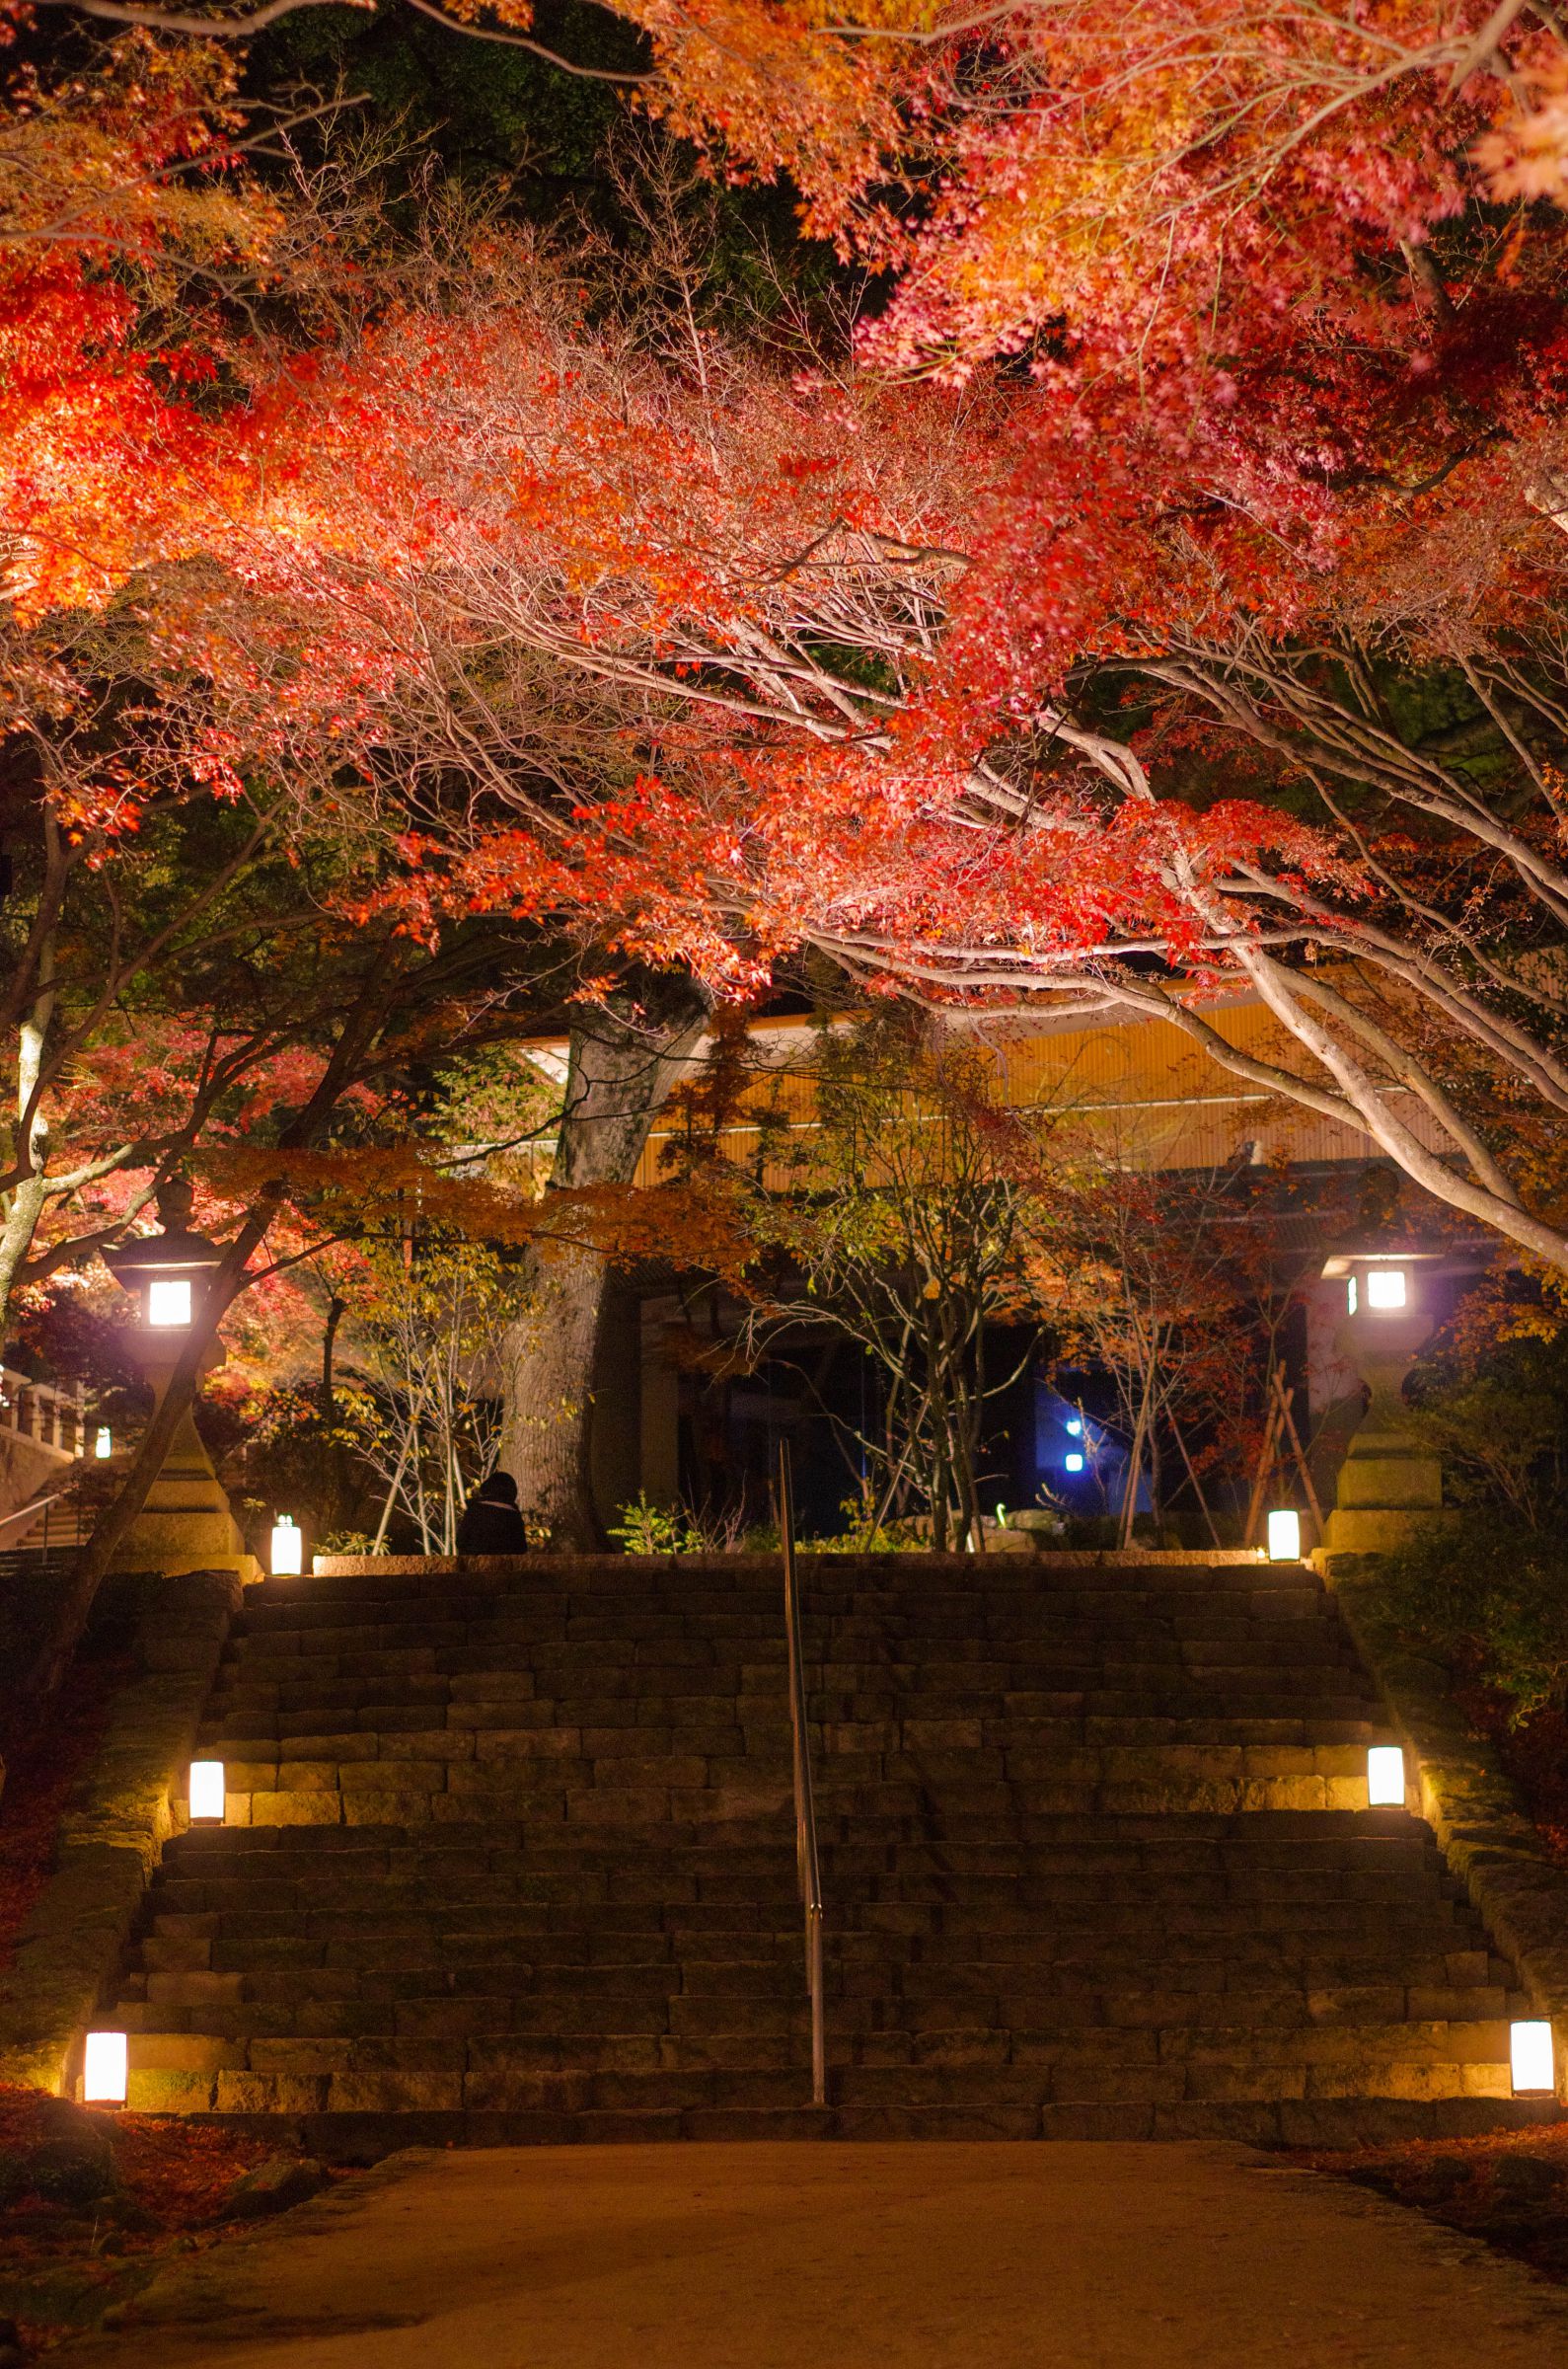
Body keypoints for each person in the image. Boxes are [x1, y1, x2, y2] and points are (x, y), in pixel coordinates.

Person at [456, 1470, 529, 1555]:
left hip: (474, 1563)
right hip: (505, 1564)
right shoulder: (514, 1516)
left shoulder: (475, 1511)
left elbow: (461, 1541)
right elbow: (521, 1548)